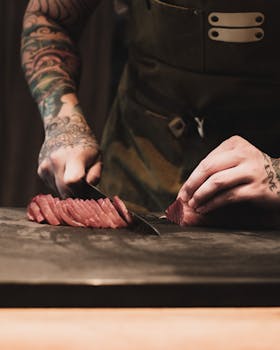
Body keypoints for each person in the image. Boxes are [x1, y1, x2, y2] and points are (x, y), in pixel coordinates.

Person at [21, 0, 280, 226]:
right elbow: (49, 18)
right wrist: (63, 123)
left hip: (267, 198)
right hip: (140, 167)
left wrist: (275, 173)